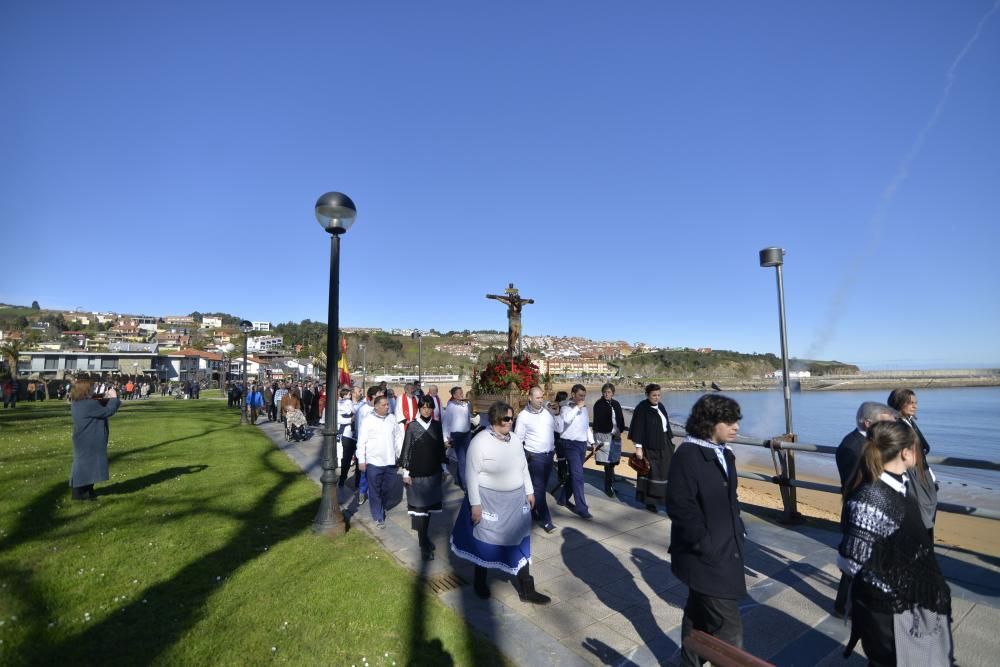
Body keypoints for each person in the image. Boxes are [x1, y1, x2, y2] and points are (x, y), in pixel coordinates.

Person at [838, 421, 953, 665]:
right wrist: (900, 579)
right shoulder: (872, 496)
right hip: (888, 614)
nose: (920, 455)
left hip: (904, 608)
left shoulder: (898, 486)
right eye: (917, 449)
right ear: (905, 453)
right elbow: (850, 562)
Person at [667, 394, 746, 667]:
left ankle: (689, 663)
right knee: (729, 629)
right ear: (709, 422)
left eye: (737, 420)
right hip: (705, 557)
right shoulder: (688, 455)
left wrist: (738, 529)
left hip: (725, 549)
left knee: (697, 616)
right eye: (729, 420)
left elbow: (730, 499)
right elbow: (680, 507)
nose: (736, 426)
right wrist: (706, 544)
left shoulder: (724, 453)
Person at [450, 401, 550, 605]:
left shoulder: (514, 440)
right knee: (486, 542)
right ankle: (480, 582)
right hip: (490, 502)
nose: (510, 422)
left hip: (516, 501)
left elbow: (523, 467)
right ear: (495, 419)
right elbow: (471, 474)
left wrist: (530, 491)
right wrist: (475, 504)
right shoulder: (479, 442)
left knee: (521, 543)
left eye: (512, 418)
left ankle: (527, 589)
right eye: (507, 419)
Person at [833, 401, 899, 617]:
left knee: (866, 562)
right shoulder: (851, 447)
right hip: (859, 514)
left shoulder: (870, 442)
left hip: (871, 511)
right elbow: (857, 486)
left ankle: (857, 603)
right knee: (854, 562)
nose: (889, 427)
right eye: (885, 422)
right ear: (867, 422)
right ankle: (843, 607)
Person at [400, 396, 448, 560]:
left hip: (433, 473)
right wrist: (406, 473)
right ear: (419, 408)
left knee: (428, 510)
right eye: (423, 407)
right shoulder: (412, 426)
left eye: (429, 407)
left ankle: (425, 538)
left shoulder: (437, 425)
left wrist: (443, 468)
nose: (426, 410)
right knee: (420, 511)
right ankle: (423, 546)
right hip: (416, 475)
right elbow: (407, 449)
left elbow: (440, 448)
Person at [888, 388, 939, 540]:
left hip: (922, 474)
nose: (914, 406)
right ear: (899, 403)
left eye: (915, 403)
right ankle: (920, 552)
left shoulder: (908, 421)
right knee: (920, 517)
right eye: (910, 403)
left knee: (926, 514)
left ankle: (924, 550)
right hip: (912, 477)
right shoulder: (896, 424)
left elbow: (922, 448)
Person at [514, 386, 561, 533]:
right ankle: (547, 521)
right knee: (540, 490)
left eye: (542, 397)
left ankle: (532, 511)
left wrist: (557, 414)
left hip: (549, 455)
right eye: (538, 398)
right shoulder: (523, 416)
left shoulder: (548, 413)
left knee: (537, 488)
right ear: (530, 398)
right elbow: (518, 439)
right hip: (535, 457)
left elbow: (559, 429)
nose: (541, 400)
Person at [69, 379, 121, 500]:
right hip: (90, 439)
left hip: (84, 437)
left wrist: (105, 397)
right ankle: (79, 493)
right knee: (85, 465)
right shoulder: (88, 404)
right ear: (85, 390)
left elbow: (97, 405)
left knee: (87, 464)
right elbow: (107, 411)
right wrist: (113, 398)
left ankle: (87, 491)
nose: (94, 389)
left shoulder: (78, 402)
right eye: (92, 388)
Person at [357, 395, 404, 528]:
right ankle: (378, 516)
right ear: (376, 406)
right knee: (374, 489)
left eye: (388, 405)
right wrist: (362, 460)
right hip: (373, 462)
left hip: (390, 461)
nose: (387, 407)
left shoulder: (392, 418)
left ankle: (381, 505)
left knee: (387, 488)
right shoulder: (367, 420)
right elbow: (361, 442)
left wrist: (400, 455)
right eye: (384, 405)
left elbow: (398, 438)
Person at [629, 383, 674, 512]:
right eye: (654, 395)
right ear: (647, 395)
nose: (657, 397)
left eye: (659, 395)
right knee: (652, 473)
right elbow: (638, 428)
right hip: (650, 446)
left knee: (664, 472)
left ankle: (663, 499)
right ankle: (650, 502)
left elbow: (665, 425)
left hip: (664, 443)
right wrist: (638, 448)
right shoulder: (641, 408)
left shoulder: (661, 406)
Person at [555, 384, 593, 519]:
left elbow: (586, 426)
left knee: (574, 474)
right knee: (578, 476)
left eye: (584, 396)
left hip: (582, 444)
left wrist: (592, 442)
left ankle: (563, 498)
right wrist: (577, 406)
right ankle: (582, 508)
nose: (582, 398)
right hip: (569, 444)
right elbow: (566, 419)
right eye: (580, 396)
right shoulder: (566, 407)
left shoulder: (584, 409)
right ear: (573, 395)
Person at [592, 382, 626, 498]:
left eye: (609, 392)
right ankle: (608, 487)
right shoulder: (598, 404)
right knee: (607, 463)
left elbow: (620, 418)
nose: (606, 394)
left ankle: (611, 482)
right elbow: (598, 422)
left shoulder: (616, 403)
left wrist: (619, 430)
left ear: (613, 393)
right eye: (605, 392)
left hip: (615, 435)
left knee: (613, 461)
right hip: (604, 435)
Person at [442, 386, 472, 491]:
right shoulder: (450, 407)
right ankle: (465, 485)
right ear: (454, 395)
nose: (461, 394)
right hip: (457, 436)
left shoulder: (466, 404)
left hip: (467, 434)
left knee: (467, 458)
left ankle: (459, 479)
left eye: (461, 392)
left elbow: (469, 417)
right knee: (462, 460)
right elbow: (445, 423)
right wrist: (445, 439)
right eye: (459, 393)